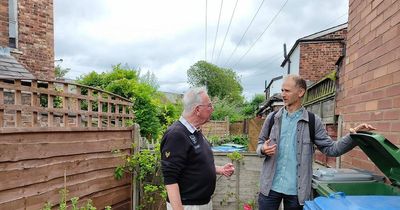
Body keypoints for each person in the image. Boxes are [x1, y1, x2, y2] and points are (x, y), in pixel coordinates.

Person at [256, 75, 376, 210]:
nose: (283, 94)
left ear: (300, 92)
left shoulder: (313, 121)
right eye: (282, 90)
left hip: (297, 192)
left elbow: (331, 149)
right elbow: (260, 143)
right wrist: (262, 149)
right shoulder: (273, 118)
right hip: (270, 187)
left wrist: (354, 137)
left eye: (287, 91)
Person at [161, 87, 235, 210]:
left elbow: (194, 163)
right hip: (188, 206)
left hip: (202, 203)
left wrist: (219, 169)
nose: (213, 109)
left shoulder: (195, 131)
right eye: (210, 105)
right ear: (198, 110)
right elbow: (170, 179)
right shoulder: (176, 134)